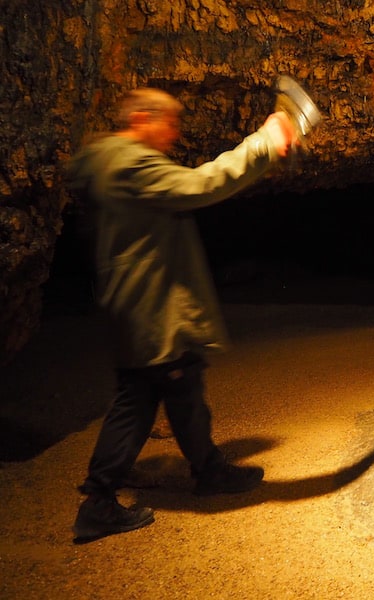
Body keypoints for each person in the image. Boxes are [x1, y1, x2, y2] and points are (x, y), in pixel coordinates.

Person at [66, 87, 299, 543]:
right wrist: (265, 141)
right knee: (147, 398)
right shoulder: (131, 163)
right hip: (153, 308)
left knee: (170, 389)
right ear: (142, 120)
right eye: (169, 123)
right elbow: (200, 185)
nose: (174, 134)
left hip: (136, 304)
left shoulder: (102, 161)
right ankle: (99, 500)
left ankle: (206, 470)